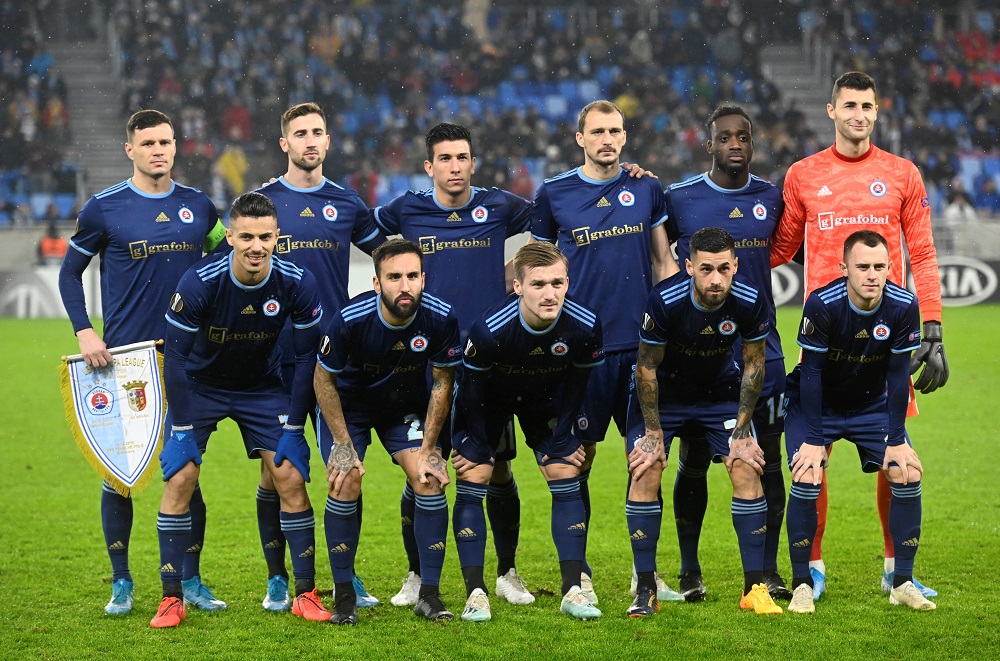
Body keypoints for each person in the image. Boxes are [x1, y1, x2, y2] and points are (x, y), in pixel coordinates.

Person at [771, 71, 945, 600]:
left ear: (877, 110)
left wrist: (932, 327)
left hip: (886, 339)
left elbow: (922, 251)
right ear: (831, 111)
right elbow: (777, 247)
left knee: (896, 452)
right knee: (811, 457)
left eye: (867, 105)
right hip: (823, 336)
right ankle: (814, 566)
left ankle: (896, 566)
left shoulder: (902, 173)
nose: (859, 114)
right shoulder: (803, 174)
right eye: (849, 104)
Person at [58, 109, 226, 616]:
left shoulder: (200, 208)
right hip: (126, 363)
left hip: (189, 362)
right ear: (130, 149)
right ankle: (122, 582)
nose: (159, 150)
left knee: (186, 472)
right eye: (148, 143)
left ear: (177, 147)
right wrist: (86, 331)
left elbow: (228, 260)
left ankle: (190, 580)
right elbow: (70, 276)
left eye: (167, 142)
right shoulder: (103, 209)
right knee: (119, 475)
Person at [371, 123, 536, 607]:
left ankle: (507, 571)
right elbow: (363, 233)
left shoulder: (500, 205)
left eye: (463, 157)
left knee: (498, 470)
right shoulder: (407, 209)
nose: (455, 166)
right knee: (422, 468)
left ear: (472, 162)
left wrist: (514, 273)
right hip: (424, 363)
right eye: (445, 158)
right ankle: (416, 574)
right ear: (429, 166)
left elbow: (553, 222)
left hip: (488, 363)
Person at [151, 192, 327, 628]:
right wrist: (181, 431)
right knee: (182, 476)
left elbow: (307, 359)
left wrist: (295, 427)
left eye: (265, 237)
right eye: (246, 236)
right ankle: (171, 598)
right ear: (229, 236)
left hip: (260, 387)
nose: (256, 246)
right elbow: (173, 359)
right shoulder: (199, 282)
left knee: (288, 473)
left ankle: (304, 591)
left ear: (277, 237)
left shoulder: (297, 281)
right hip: (200, 385)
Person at [531, 100, 680, 603]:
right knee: (574, 460)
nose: (608, 140)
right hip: (580, 356)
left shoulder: (646, 187)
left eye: (616, 130)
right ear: (580, 138)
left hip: (640, 352)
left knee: (648, 460)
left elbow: (664, 261)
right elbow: (535, 267)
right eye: (598, 132)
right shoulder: (554, 194)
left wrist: (673, 330)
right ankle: (579, 576)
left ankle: (647, 578)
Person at [254, 102, 386, 612]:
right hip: (276, 360)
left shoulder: (345, 202)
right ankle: (277, 579)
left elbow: (388, 254)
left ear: (328, 141)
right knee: (277, 471)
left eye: (318, 133)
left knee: (344, 466)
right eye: (300, 134)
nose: (310, 141)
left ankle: (346, 578)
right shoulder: (263, 201)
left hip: (334, 361)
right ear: (284, 143)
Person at [663, 104, 790, 603]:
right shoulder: (679, 199)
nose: (735, 143)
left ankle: (767, 571)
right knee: (695, 458)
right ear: (708, 145)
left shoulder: (772, 198)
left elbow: (803, 246)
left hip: (765, 350)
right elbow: (653, 252)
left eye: (744, 136)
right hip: (700, 354)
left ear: (752, 144)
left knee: (769, 461)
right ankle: (691, 570)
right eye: (725, 137)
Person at [627, 226, 780, 617]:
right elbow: (646, 368)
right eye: (706, 269)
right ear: (688, 265)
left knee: (747, 466)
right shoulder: (664, 301)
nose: (716, 279)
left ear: (735, 266)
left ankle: (754, 589)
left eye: (724, 269)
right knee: (646, 470)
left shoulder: (749, 299)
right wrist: (653, 433)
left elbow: (754, 363)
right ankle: (645, 589)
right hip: (666, 395)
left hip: (718, 393)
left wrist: (744, 431)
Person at [450, 242, 605, 622]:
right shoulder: (489, 330)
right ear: (517, 286)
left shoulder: (584, 324)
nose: (549, 294)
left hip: (547, 400)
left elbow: (579, 384)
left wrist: (563, 435)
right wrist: (476, 443)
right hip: (490, 402)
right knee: (480, 472)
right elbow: (471, 391)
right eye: (538, 284)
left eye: (556, 282)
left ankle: (573, 590)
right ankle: (480, 591)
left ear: (568, 282)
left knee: (564, 467)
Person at [783, 230, 935, 614]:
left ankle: (901, 581)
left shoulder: (903, 305)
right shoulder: (822, 304)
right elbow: (811, 373)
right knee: (806, 473)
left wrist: (898, 439)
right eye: (862, 266)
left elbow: (899, 376)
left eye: (880, 266)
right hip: (816, 405)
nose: (871, 274)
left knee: (907, 472)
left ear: (889, 268)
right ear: (844, 268)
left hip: (870, 406)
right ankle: (802, 582)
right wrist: (815, 440)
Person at [314, 238, 460, 624]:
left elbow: (442, 383)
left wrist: (430, 447)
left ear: (423, 278)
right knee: (345, 480)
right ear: (377, 283)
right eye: (394, 277)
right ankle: (344, 595)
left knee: (429, 479)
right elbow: (323, 381)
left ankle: (428, 594)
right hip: (350, 409)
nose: (405, 285)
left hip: (402, 410)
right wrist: (343, 445)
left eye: (412, 275)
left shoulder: (441, 317)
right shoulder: (350, 319)